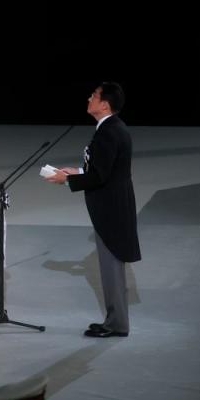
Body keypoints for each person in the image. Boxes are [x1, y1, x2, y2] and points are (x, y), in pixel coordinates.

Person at [46, 82, 140, 338]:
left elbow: (100, 176)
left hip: (111, 209)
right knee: (111, 270)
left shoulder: (109, 132)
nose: (90, 98)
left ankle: (117, 325)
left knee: (111, 270)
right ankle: (114, 320)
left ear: (105, 104)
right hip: (113, 205)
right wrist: (75, 171)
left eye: (95, 96)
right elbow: (101, 168)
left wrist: (65, 180)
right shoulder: (110, 128)